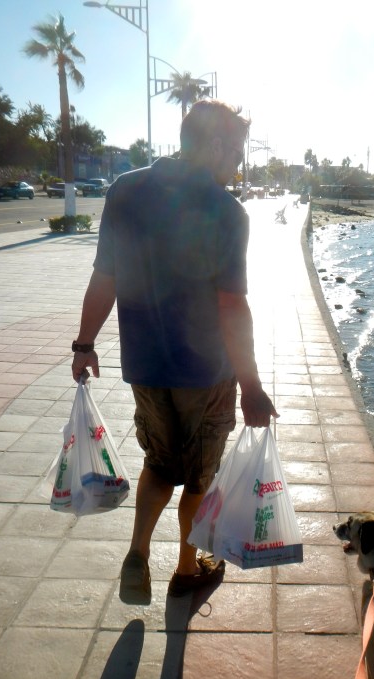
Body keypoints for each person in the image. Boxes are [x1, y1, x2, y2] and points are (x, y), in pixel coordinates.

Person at [71, 99, 278, 602]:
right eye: (236, 152)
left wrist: (84, 344)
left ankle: (138, 551)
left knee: (160, 464)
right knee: (198, 478)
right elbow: (231, 307)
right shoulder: (226, 213)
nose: (239, 165)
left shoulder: (125, 191)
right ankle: (187, 568)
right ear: (213, 145)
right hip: (204, 374)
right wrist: (250, 387)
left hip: (144, 367)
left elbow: (106, 277)